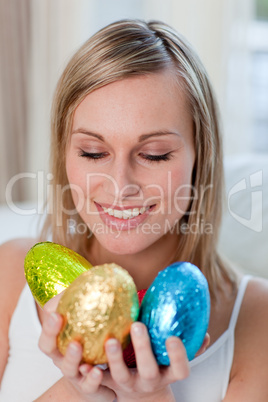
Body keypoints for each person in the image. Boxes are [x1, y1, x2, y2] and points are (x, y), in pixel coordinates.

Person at [0, 19, 268, 402]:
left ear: (200, 159)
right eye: (93, 152)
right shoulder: (10, 276)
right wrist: (79, 389)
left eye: (153, 155)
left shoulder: (258, 319)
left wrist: (147, 396)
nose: (120, 185)